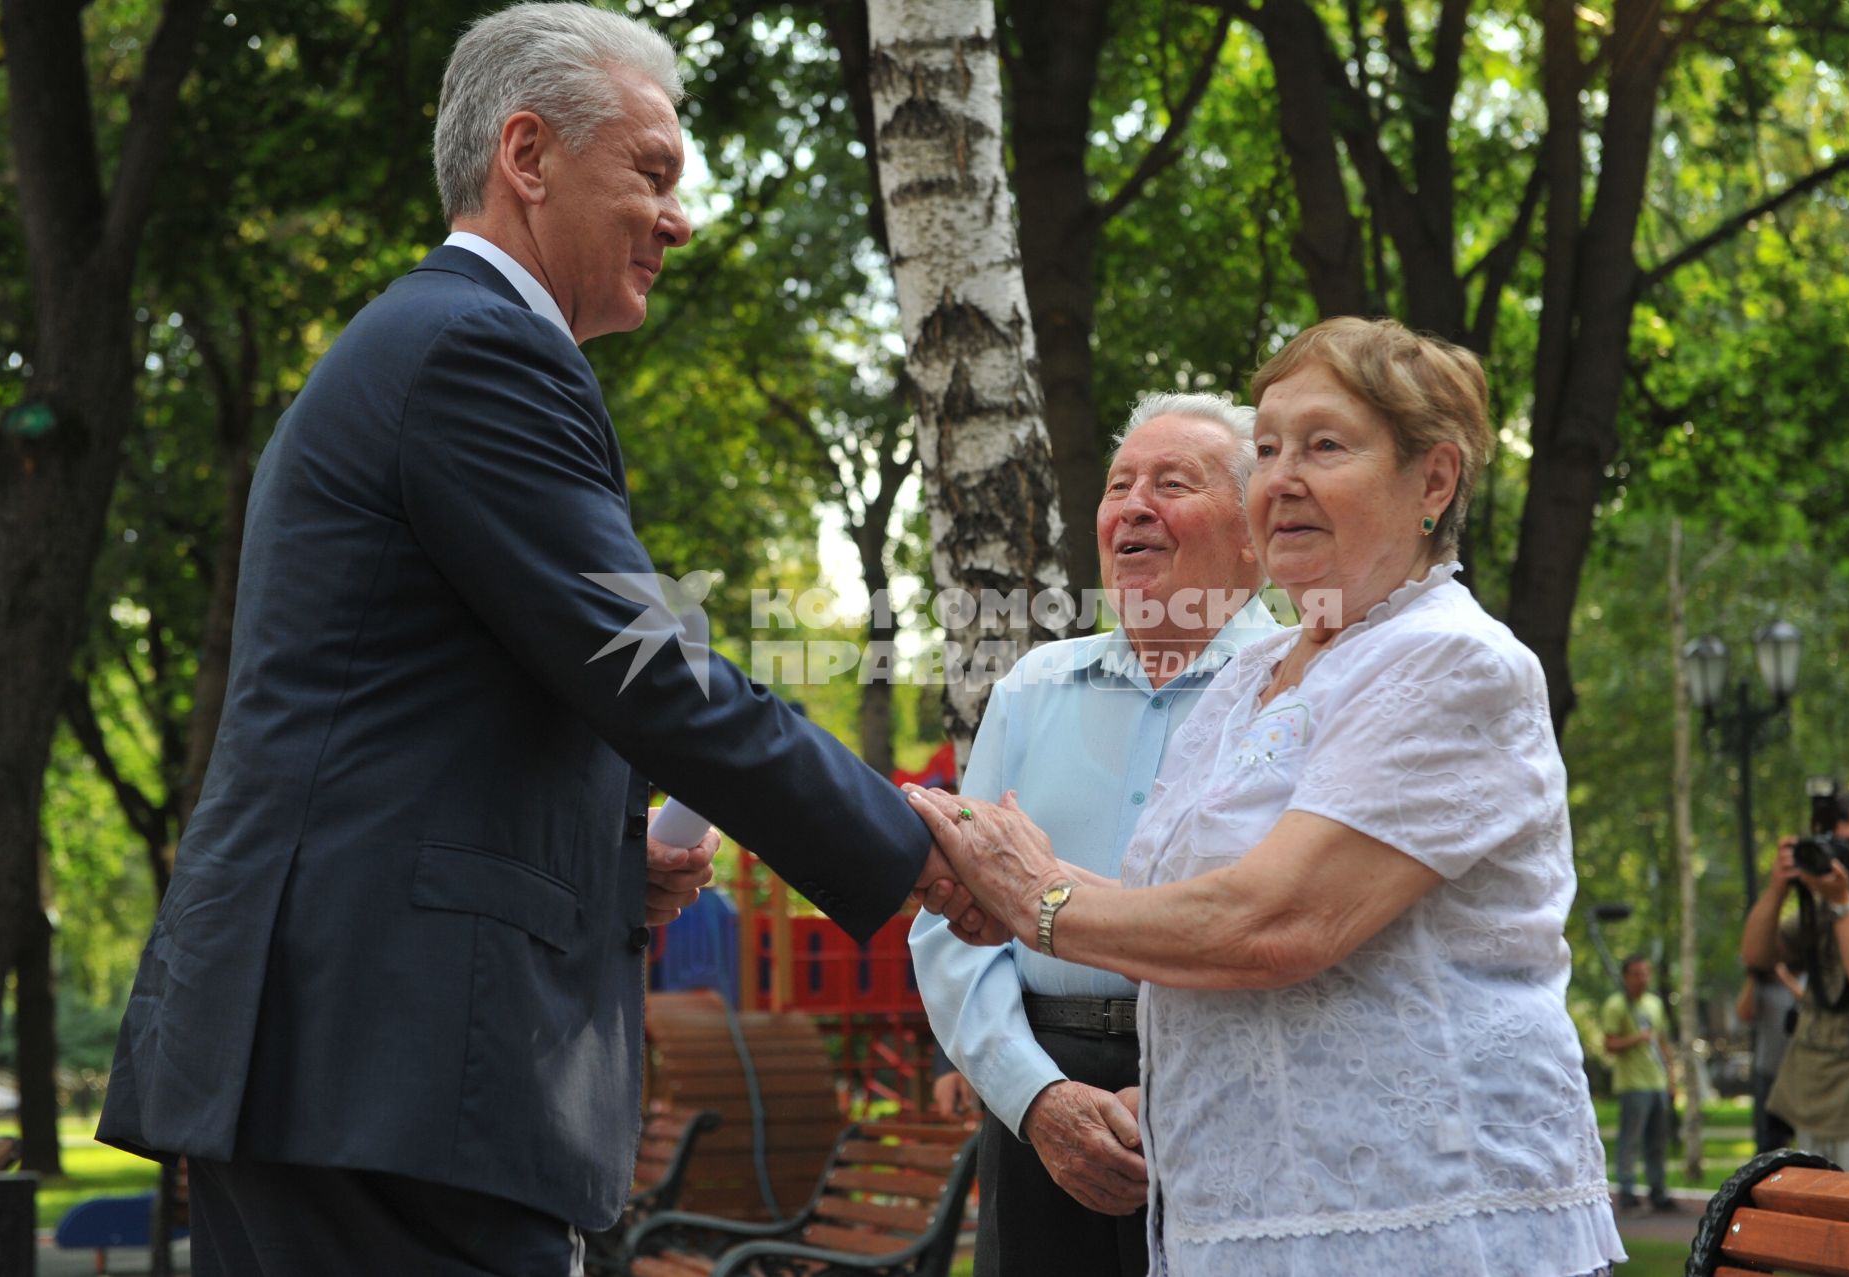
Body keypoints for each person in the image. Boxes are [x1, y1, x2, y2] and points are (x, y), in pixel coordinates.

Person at [94, 7, 959, 1273]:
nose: (679, 218)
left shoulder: (432, 344)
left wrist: (616, 853)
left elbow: (434, 715)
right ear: (529, 155)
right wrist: (912, 844)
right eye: (652, 173)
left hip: (351, 1063)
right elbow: (649, 673)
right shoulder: (479, 351)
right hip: (384, 1067)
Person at [908, 317, 1625, 1276]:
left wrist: (1032, 897)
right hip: (1240, 1206)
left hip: (1412, 1214)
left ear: (1435, 481)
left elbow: (1280, 919)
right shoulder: (1259, 682)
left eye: (1324, 446)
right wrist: (1008, 916)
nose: (1282, 476)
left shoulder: (1451, 661)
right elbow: (1163, 908)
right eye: (1270, 447)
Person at [910, 393, 1276, 1276]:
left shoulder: (1303, 690)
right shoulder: (1033, 688)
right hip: (1040, 1095)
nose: (1133, 505)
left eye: (1172, 483)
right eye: (1120, 485)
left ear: (1253, 533)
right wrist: (1035, 1097)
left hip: (1243, 1097)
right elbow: (951, 924)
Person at [1740, 791, 1849, 1175]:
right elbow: (1756, 957)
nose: (1845, 855)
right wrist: (1778, 889)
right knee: (1824, 1231)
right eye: (1835, 845)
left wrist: (1842, 905)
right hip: (1812, 1101)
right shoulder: (1819, 908)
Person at [1600, 955, 1678, 1212]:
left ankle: (1658, 1191)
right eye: (1636, 973)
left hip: (1656, 1081)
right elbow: (1609, 1044)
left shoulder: (1654, 1004)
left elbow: (1663, 1043)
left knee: (1657, 1141)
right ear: (1625, 976)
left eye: (1645, 973)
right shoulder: (1616, 1005)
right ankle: (1627, 1190)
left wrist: (1671, 1078)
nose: (1642, 978)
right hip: (1632, 1084)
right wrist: (1636, 1038)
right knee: (1631, 1139)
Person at [1736, 962, 1802, 1153]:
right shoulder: (1762, 988)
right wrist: (1752, 976)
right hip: (1769, 1072)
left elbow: (1809, 1003)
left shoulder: (1807, 978)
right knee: (1768, 1143)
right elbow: (1743, 1013)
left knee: (1806, 1138)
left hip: (1801, 1075)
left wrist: (1786, 979)